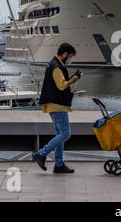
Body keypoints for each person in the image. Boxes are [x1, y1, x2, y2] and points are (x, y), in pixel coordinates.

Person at [33, 43, 82, 174]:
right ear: (65, 54)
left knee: (60, 134)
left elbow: (60, 83)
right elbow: (62, 86)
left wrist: (72, 78)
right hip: (57, 105)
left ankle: (59, 164)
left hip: (54, 104)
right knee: (66, 134)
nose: (71, 59)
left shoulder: (55, 64)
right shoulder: (56, 67)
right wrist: (75, 78)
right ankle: (41, 153)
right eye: (70, 56)